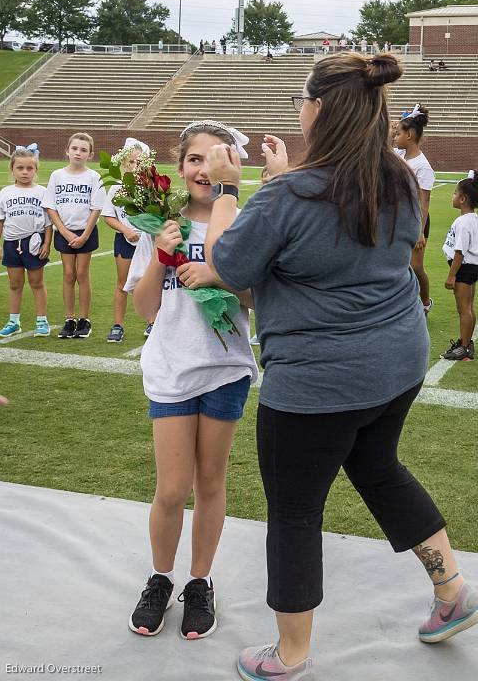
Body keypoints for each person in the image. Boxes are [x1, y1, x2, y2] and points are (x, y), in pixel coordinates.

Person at [204, 51, 478, 680]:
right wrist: (280, 183)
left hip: (320, 380)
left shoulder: (290, 195)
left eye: (302, 100)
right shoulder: (399, 178)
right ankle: (451, 590)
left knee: (295, 511)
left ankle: (290, 653)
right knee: (379, 468)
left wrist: (228, 187)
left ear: (319, 108)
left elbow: (231, 264)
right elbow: (331, 229)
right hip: (397, 363)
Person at [126, 119, 258, 641]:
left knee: (209, 483)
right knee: (171, 488)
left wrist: (219, 274)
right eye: (195, 159)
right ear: (180, 167)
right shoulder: (160, 222)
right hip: (171, 368)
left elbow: (254, 298)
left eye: (216, 158)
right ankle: (160, 577)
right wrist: (161, 253)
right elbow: (144, 309)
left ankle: (199, 583)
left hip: (225, 369)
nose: (205, 168)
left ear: (233, 165)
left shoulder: (244, 222)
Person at [42, 132, 105, 339]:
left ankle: (84, 320)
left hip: (85, 232)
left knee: (82, 274)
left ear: (91, 155)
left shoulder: (94, 177)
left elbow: (96, 208)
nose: (78, 153)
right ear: (67, 151)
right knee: (68, 275)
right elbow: (51, 207)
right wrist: (65, 231)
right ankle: (69, 319)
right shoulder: (57, 175)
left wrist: (85, 235)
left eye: (83, 150)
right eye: (75, 149)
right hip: (64, 232)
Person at [101, 138, 155, 342]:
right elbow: (108, 216)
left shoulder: (150, 187)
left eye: (139, 162)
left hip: (147, 242)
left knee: (150, 283)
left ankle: (152, 322)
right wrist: (124, 229)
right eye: (131, 162)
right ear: (124, 163)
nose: (134, 166)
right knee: (122, 283)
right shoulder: (116, 188)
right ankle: (117, 325)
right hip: (125, 241)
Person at [0, 148, 52, 338]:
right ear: (12, 169)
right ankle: (14, 322)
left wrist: (46, 244)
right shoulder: (5, 192)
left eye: (30, 168)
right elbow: (1, 221)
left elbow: (47, 223)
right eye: (20, 168)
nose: (25, 172)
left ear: (35, 170)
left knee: (37, 282)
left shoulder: (42, 192)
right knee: (14, 284)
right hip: (11, 243)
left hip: (34, 242)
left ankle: (41, 320)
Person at [394, 104, 435, 314]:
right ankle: (402, 305)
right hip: (397, 219)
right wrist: (393, 127)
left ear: (409, 135)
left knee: (416, 267)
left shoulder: (423, 166)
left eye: (399, 133)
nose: (395, 136)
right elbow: (380, 148)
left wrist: (419, 231)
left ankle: (426, 302)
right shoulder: (398, 154)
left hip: (416, 220)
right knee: (398, 266)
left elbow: (424, 202)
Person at [441, 170, 478, 361]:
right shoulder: (473, 220)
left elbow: (460, 251)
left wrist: (451, 275)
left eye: (455, 193)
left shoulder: (464, 222)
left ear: (463, 199)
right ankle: (466, 343)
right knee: (468, 307)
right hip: (471, 268)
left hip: (464, 268)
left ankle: (463, 348)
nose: (453, 196)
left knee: (463, 308)